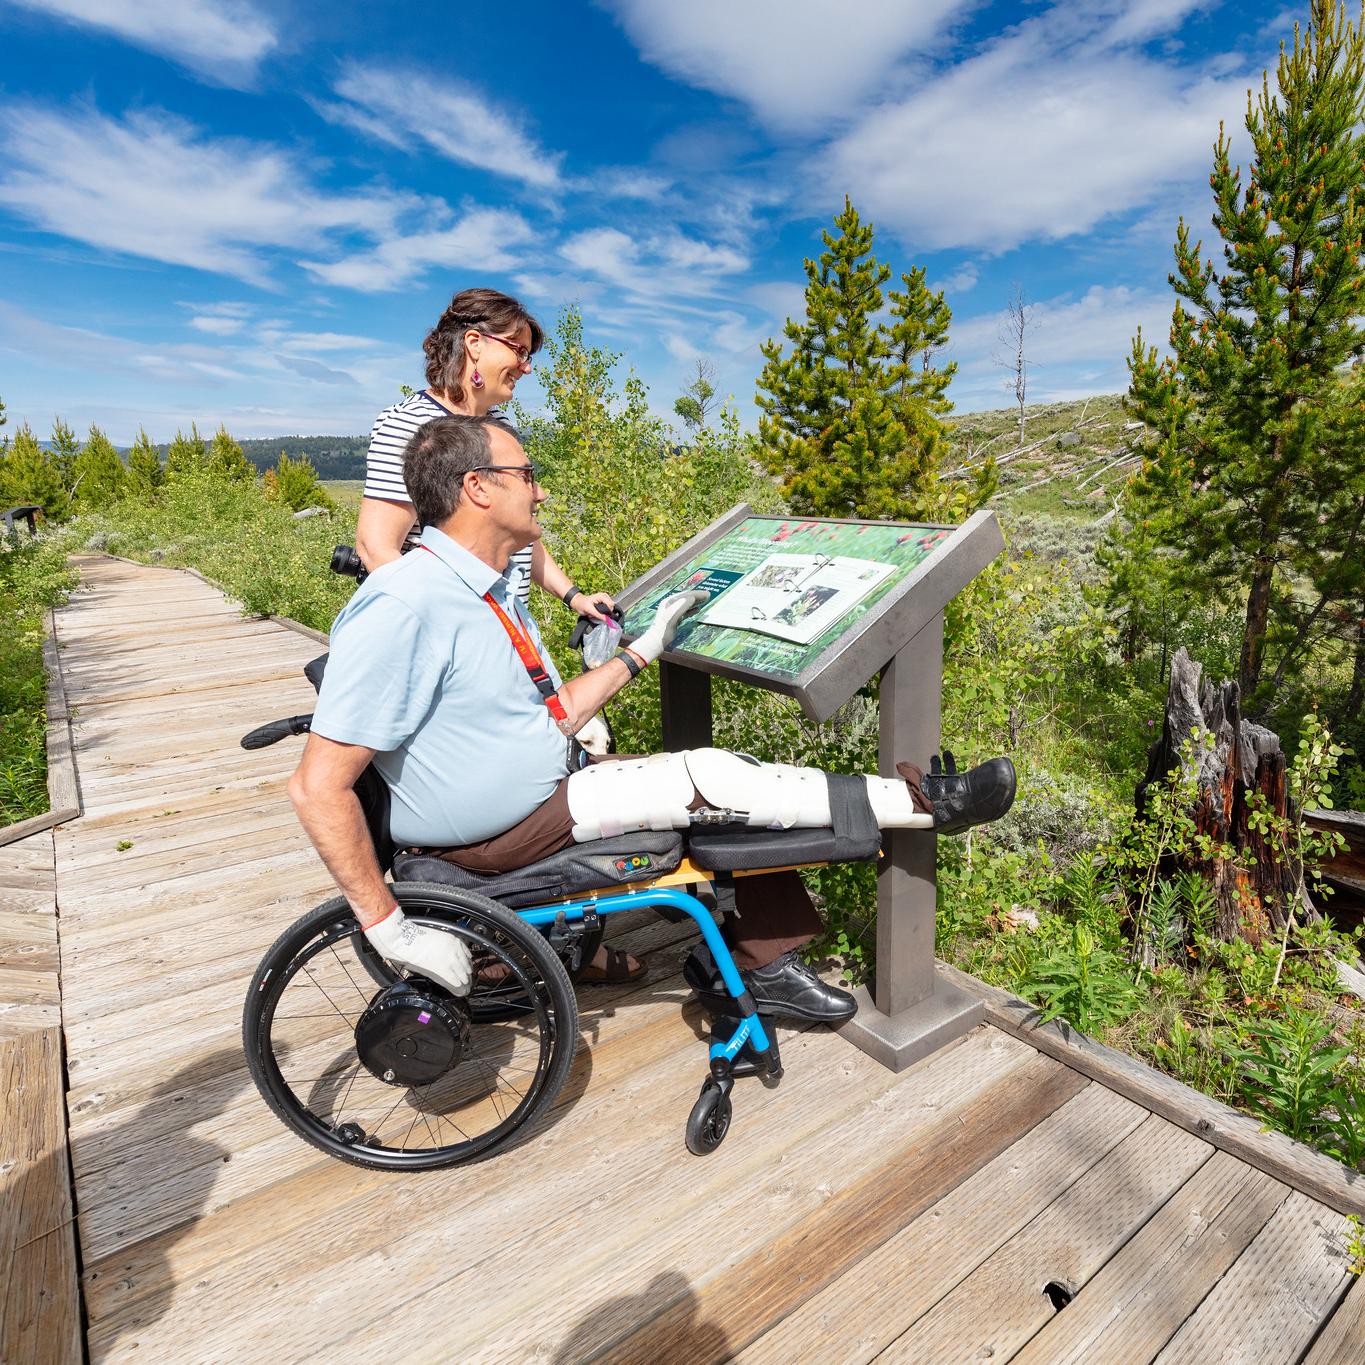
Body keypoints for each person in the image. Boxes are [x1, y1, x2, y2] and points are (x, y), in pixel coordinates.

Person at [290, 414, 1016, 1024]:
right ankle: (923, 804)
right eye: (526, 472)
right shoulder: (405, 603)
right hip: (498, 834)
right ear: (476, 487)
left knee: (729, 781)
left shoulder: (474, 591)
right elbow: (317, 787)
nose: (540, 489)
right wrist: (391, 929)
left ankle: (764, 961)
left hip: (539, 788)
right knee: (704, 776)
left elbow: (552, 711)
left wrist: (642, 649)